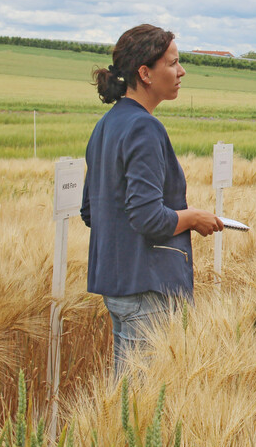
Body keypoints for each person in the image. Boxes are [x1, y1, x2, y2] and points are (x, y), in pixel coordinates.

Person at [81, 24, 223, 374]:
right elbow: (147, 218)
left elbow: (90, 211)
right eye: (173, 63)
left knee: (128, 402)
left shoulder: (107, 124)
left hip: (117, 284)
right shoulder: (144, 127)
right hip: (147, 289)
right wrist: (192, 217)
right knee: (144, 407)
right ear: (145, 73)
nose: (181, 71)